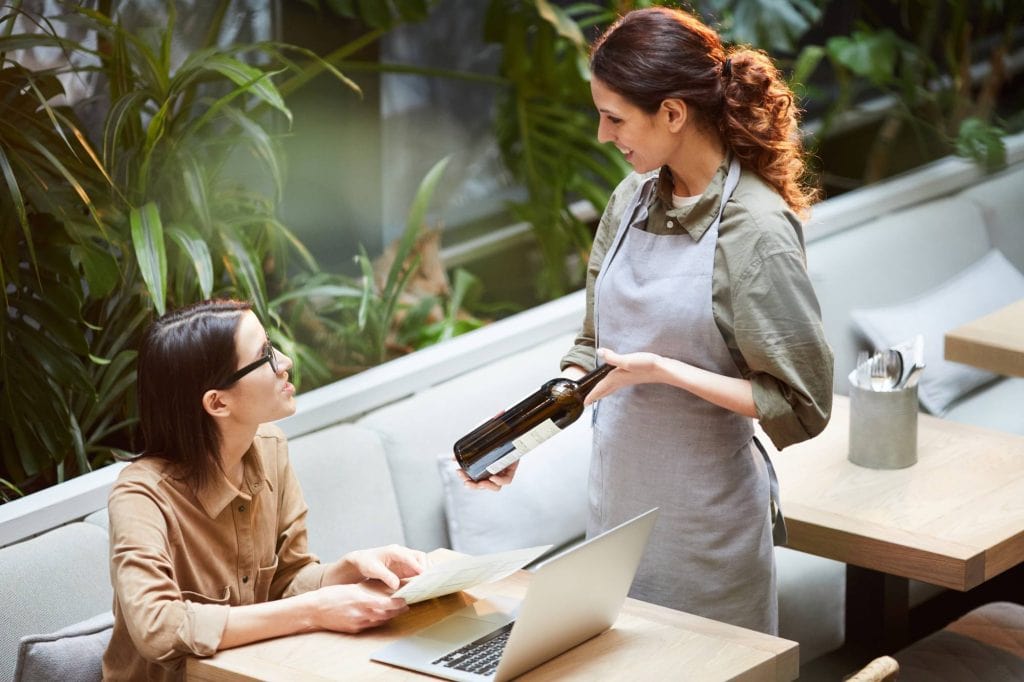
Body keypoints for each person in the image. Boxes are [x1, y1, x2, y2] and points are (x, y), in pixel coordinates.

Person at [461, 7, 833, 635]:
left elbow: (801, 404)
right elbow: (592, 349)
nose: (603, 136)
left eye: (614, 118)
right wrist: (523, 438)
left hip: (706, 535)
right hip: (615, 523)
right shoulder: (629, 199)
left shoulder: (756, 231)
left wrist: (663, 371)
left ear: (673, 113)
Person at [103, 300, 426, 680]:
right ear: (217, 402)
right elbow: (157, 628)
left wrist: (346, 570)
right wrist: (314, 610)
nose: (286, 361)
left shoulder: (270, 447)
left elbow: (287, 580)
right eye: (266, 356)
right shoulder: (141, 497)